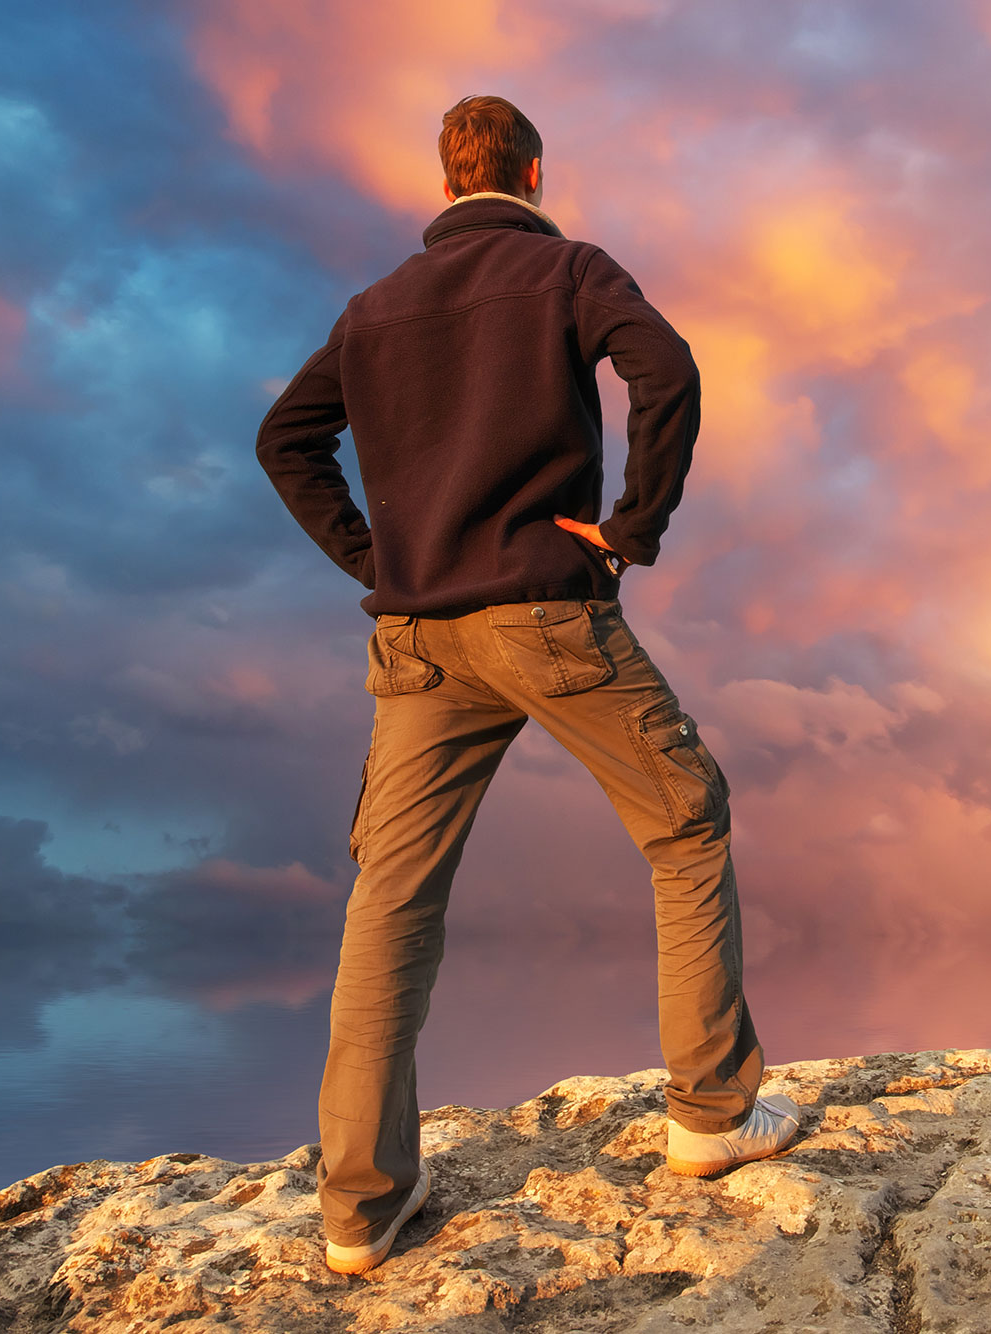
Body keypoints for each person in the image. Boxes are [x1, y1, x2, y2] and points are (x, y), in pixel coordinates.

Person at [255, 94, 799, 1276]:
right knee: (686, 817)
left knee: (390, 897)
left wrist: (373, 557)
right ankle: (711, 1112)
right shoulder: (569, 271)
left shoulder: (374, 307)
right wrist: (628, 529)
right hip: (547, 611)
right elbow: (668, 369)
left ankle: (358, 1207)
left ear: (445, 182)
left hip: (416, 637)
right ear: (534, 175)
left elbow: (283, 438)